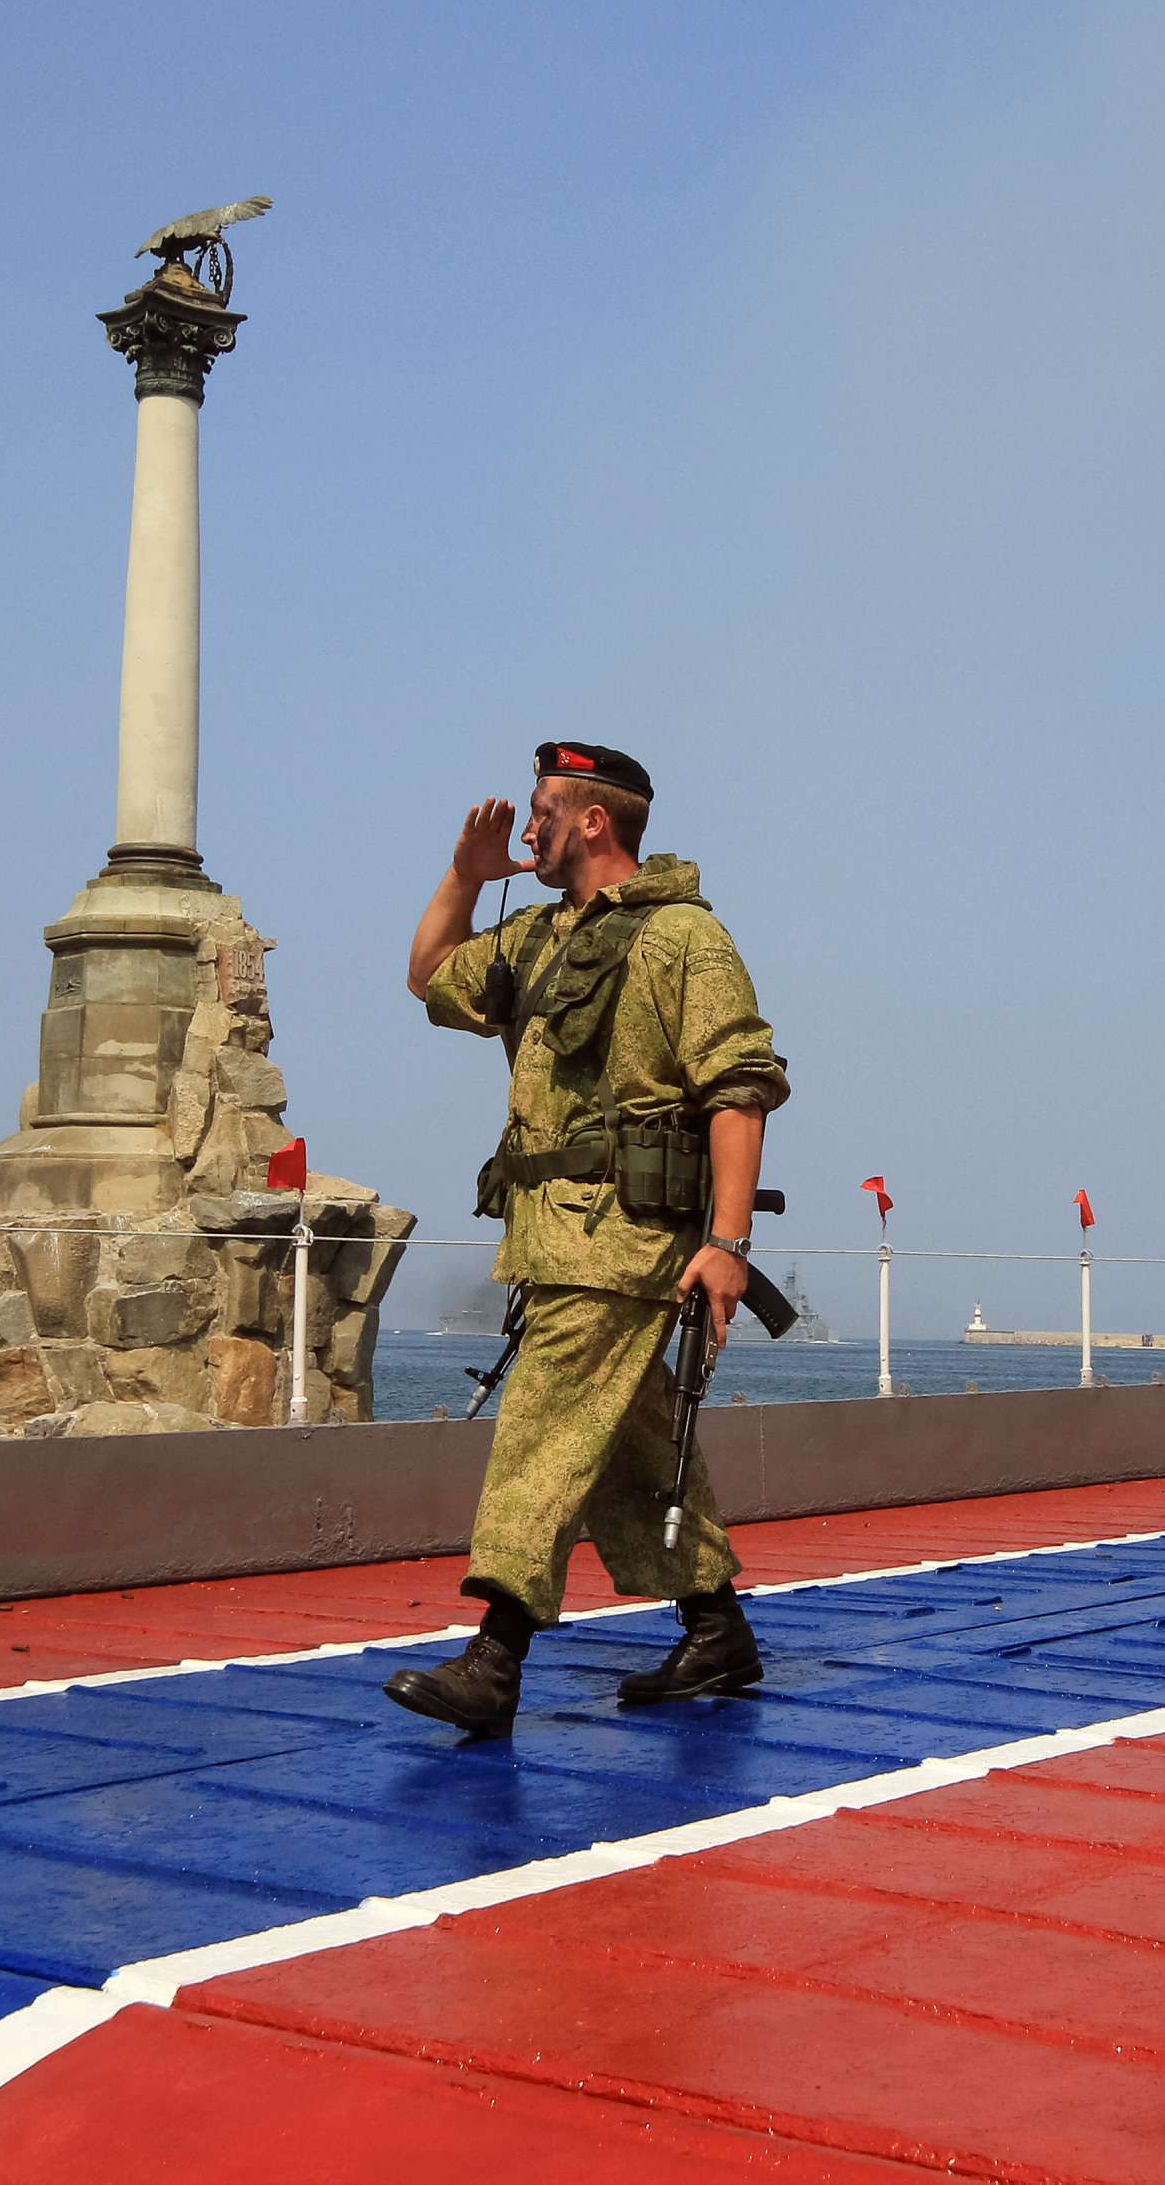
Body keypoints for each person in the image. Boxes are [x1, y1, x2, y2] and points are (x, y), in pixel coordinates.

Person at [384, 743, 791, 1738]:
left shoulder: (685, 938)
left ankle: (496, 1657)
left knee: (544, 1425)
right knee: (625, 1442)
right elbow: (429, 976)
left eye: (541, 812)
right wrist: (463, 875)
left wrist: (727, 1241)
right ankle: (715, 1627)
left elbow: (739, 1088)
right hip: (547, 1236)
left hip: (624, 1236)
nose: (526, 831)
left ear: (593, 821)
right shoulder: (533, 936)